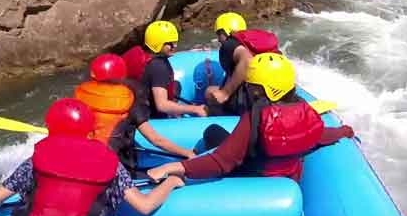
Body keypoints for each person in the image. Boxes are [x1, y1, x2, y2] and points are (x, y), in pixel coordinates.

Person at [0, 98, 184, 216]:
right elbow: (144, 205)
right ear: (89, 130)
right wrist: (171, 181)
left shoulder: (37, 158)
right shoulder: (110, 163)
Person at [147, 53, 355, 183]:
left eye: (251, 86)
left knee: (212, 131)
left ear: (261, 90)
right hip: (287, 176)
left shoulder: (256, 118)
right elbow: (321, 136)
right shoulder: (306, 112)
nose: (248, 90)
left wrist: (173, 167)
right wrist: (344, 131)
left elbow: (220, 162)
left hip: (250, 176)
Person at [74, 53, 196, 174]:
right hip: (113, 166)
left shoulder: (81, 95)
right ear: (122, 76)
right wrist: (186, 152)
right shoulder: (128, 101)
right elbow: (155, 139)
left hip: (83, 159)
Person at [122, 20, 207, 119]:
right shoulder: (159, 67)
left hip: (133, 103)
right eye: (169, 44)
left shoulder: (136, 51)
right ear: (157, 44)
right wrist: (195, 109)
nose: (174, 46)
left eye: (175, 42)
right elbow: (162, 105)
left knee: (176, 85)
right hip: (146, 115)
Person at [205, 12, 281, 115]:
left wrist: (225, 92)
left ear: (224, 32)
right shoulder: (251, 44)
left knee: (209, 92)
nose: (218, 39)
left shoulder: (230, 44)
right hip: (276, 94)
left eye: (219, 34)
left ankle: (219, 120)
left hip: (254, 100)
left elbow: (247, 60)